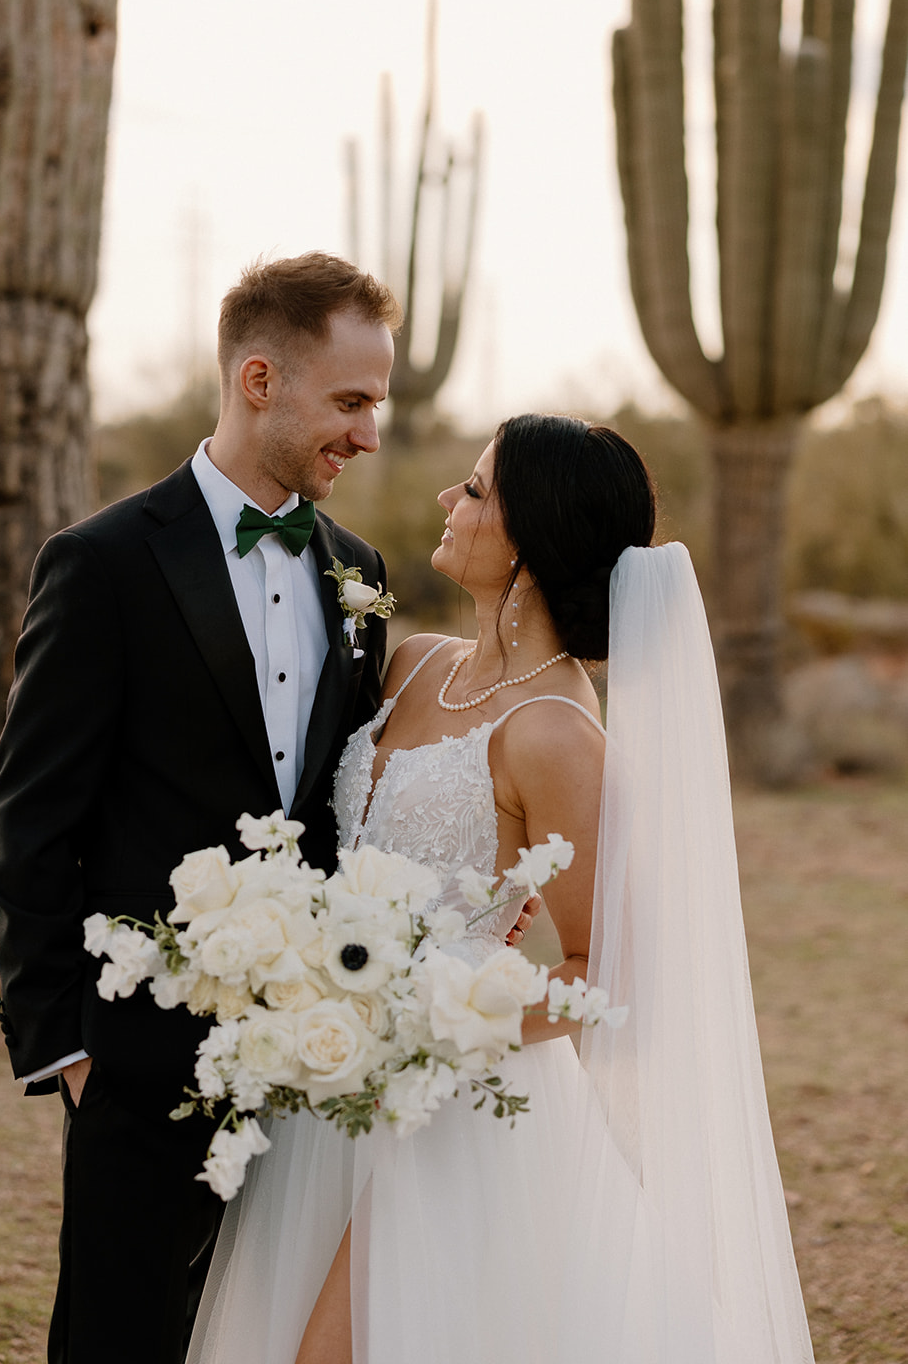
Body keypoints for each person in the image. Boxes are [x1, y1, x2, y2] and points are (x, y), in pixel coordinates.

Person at [187, 413, 816, 1364]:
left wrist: (450, 1014)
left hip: (457, 1108)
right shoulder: (411, 663)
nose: (449, 497)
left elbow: (607, 972)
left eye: (476, 490)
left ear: (532, 541)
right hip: (324, 1081)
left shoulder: (558, 736)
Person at [0, 252, 409, 1364]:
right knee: (121, 1339)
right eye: (351, 401)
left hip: (312, 1060)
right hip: (137, 1060)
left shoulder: (358, 576)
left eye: (379, 403)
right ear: (258, 379)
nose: (370, 433)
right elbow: (31, 820)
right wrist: (64, 1048)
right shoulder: (102, 563)